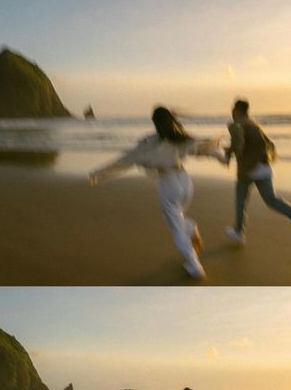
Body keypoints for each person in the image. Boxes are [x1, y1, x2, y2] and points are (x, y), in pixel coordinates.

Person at [88, 106, 227, 279]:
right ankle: (191, 230)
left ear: (155, 124)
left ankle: (194, 265)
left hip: (169, 185)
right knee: (177, 218)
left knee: (175, 227)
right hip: (186, 182)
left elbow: (124, 161)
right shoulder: (181, 139)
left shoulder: (149, 143)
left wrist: (98, 174)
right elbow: (204, 148)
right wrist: (223, 157)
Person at [224, 98, 291, 247]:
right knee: (271, 200)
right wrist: (231, 151)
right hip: (264, 168)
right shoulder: (254, 124)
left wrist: (228, 155)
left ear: (238, 111)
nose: (231, 112)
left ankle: (239, 232)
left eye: (233, 109)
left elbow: (238, 143)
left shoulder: (236, 124)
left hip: (248, 170)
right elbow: (268, 144)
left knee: (240, 200)